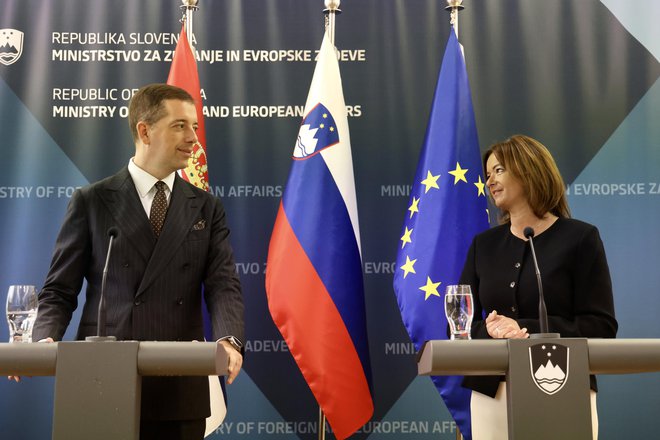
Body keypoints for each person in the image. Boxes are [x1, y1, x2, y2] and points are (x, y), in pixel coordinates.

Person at [14, 83, 245, 440]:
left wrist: (229, 339)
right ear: (144, 130)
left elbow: (223, 284)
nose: (194, 139)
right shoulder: (91, 201)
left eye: (195, 127)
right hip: (101, 379)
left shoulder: (206, 207)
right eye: (180, 126)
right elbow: (60, 290)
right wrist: (43, 338)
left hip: (179, 387)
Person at [459, 134, 617, 439]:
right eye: (488, 173)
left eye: (500, 170)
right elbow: (461, 325)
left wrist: (522, 329)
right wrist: (492, 331)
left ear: (529, 170)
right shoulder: (484, 245)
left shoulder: (580, 239)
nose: (490, 180)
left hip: (562, 385)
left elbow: (601, 326)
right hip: (492, 394)